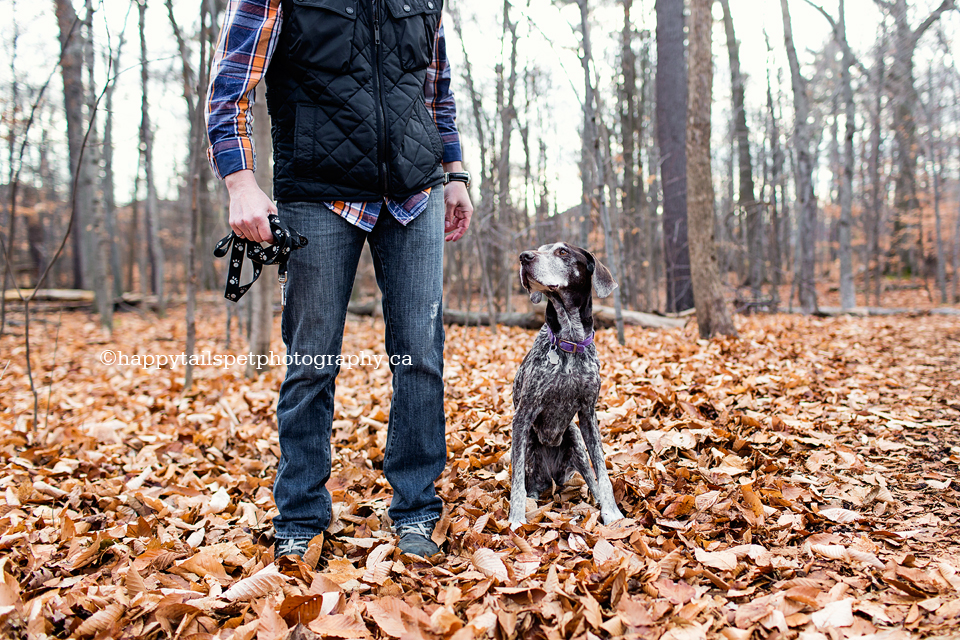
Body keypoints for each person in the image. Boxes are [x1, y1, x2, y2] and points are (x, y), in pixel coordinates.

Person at [206, 0, 474, 558]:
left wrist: (454, 172)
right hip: (318, 195)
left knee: (420, 357)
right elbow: (230, 86)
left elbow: (435, 90)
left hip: (414, 191)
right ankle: (300, 517)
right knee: (311, 362)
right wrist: (240, 184)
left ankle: (416, 511)